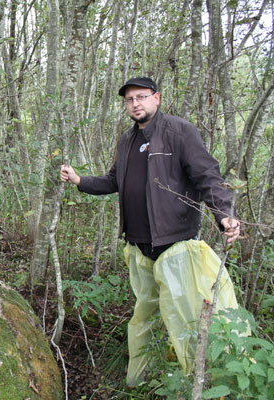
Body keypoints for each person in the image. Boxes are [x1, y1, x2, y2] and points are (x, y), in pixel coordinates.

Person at [60, 77, 242, 386]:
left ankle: (199, 383)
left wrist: (224, 215)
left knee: (185, 319)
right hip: (139, 247)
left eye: (141, 97)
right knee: (144, 319)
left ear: (156, 98)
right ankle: (141, 380)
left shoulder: (179, 132)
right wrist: (81, 181)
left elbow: (207, 176)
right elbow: (114, 181)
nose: (135, 104)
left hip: (175, 245)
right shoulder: (127, 141)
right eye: (130, 100)